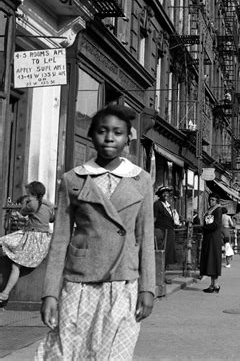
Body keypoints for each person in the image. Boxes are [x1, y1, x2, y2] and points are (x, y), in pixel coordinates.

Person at [35, 105, 155, 360]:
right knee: (70, 351)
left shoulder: (141, 180)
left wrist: (148, 288)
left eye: (117, 132)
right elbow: (59, 241)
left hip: (123, 282)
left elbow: (145, 236)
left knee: (114, 355)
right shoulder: (73, 179)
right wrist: (49, 294)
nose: (110, 138)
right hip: (79, 284)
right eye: (102, 131)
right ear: (91, 135)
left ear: (127, 139)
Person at [0, 182, 54, 307]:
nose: (26, 195)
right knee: (8, 243)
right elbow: (52, 219)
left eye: (28, 193)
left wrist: (25, 203)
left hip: (33, 238)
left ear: (33, 194)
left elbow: (22, 212)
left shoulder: (32, 204)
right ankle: (4, 294)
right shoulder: (47, 205)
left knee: (16, 265)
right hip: (41, 237)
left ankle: (5, 294)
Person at [154, 185, 180, 284]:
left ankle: (162, 275)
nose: (166, 194)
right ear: (160, 195)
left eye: (167, 192)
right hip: (160, 232)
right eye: (163, 192)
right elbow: (154, 219)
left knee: (167, 254)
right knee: (160, 253)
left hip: (169, 232)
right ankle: (159, 276)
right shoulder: (157, 204)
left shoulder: (168, 205)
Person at [200, 193, 223, 293]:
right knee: (209, 260)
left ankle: (216, 284)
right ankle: (213, 284)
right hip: (208, 237)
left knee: (213, 260)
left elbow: (216, 224)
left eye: (213, 200)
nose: (211, 201)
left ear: (217, 201)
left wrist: (203, 228)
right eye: (210, 200)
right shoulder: (210, 210)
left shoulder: (218, 210)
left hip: (214, 238)